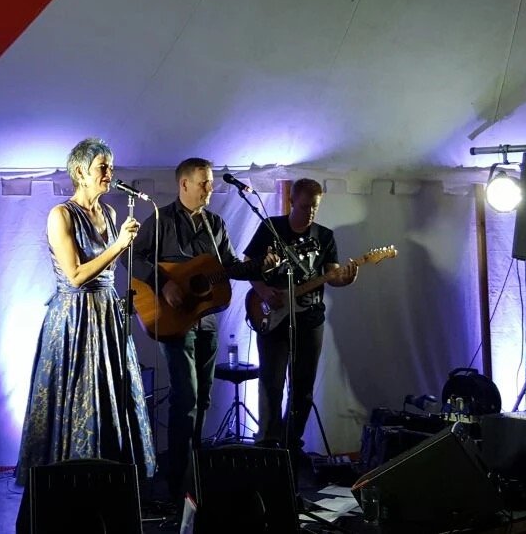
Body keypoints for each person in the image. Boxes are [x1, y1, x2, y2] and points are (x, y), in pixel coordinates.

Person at [128, 158, 273, 502]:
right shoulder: (161, 220)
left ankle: (194, 476)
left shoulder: (215, 225)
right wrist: (164, 283)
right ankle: (176, 480)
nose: (211, 188)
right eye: (204, 182)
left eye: (210, 182)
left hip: (206, 320)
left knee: (202, 398)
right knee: (187, 397)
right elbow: (131, 255)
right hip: (174, 323)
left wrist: (261, 267)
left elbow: (230, 267)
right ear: (184, 185)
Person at [14, 138, 156, 490]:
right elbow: (76, 275)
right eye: (102, 168)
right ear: (80, 172)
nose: (109, 174)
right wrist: (118, 245)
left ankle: (109, 477)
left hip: (107, 313)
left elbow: (108, 268)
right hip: (75, 317)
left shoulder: (109, 213)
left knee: (110, 393)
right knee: (78, 395)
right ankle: (69, 481)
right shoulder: (60, 215)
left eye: (110, 166)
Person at [243, 178, 357, 468]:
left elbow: (332, 274)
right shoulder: (271, 228)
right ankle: (268, 444)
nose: (310, 213)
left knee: (303, 387)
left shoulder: (325, 236)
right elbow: (247, 266)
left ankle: (292, 444)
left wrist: (345, 279)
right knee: (271, 382)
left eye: (315, 208)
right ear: (292, 201)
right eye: (305, 206)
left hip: (310, 319)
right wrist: (263, 290)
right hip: (273, 316)